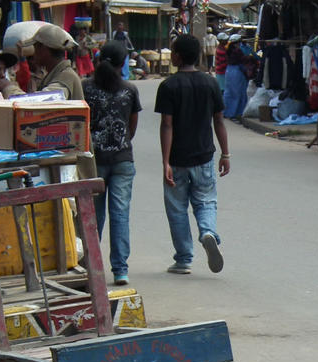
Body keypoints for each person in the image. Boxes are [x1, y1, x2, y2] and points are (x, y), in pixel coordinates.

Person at [154, 34, 230, 275]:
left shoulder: (168, 86)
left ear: (177, 56)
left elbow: (167, 124)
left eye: (173, 51)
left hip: (177, 159)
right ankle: (207, 232)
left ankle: (184, 259)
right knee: (206, 201)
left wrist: (165, 161)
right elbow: (219, 120)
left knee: (177, 208)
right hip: (205, 156)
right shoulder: (210, 83)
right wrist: (225, 154)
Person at [83, 41, 141, 286]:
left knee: (93, 217)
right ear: (122, 64)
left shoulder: (85, 88)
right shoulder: (129, 90)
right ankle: (120, 270)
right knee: (120, 214)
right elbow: (132, 127)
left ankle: (91, 268)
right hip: (122, 159)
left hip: (93, 161)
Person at [31, 24, 83, 100]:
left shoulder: (66, 76)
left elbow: (43, 100)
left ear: (44, 49)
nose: (34, 54)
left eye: (35, 48)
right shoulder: (58, 73)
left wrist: (9, 87)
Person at [222, 34, 246, 120]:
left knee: (228, 93)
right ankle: (234, 114)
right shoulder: (238, 51)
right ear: (237, 43)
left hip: (229, 71)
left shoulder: (228, 50)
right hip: (236, 72)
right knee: (237, 94)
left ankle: (226, 112)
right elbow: (243, 62)